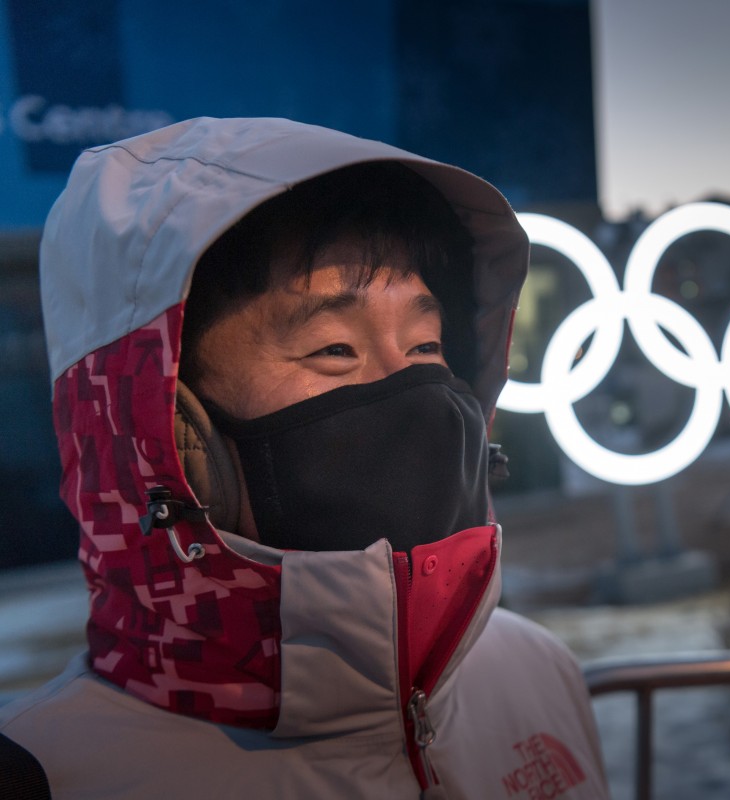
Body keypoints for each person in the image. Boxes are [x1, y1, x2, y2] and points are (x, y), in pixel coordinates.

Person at [0, 117, 610, 799]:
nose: (408, 390)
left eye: (426, 349)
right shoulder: (50, 776)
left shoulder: (537, 674)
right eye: (334, 351)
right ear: (171, 439)